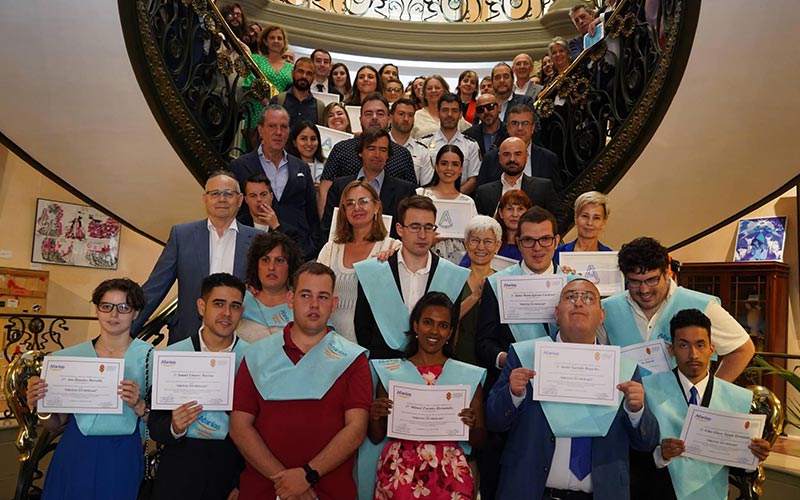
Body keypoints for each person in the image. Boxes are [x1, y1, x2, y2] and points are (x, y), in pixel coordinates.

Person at [486, 275, 659, 499]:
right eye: (570, 297)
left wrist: (637, 411)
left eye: (588, 298)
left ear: (602, 315)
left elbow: (647, 442)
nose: (578, 302)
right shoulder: (524, 356)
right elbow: (494, 420)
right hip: (531, 492)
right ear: (557, 314)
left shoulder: (623, 367)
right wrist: (513, 395)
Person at [230, 262, 372, 499]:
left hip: (329, 491)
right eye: (305, 295)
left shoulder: (353, 359)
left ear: (334, 304)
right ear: (290, 299)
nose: (314, 304)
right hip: (265, 489)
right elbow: (239, 427)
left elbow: (356, 429)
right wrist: (286, 482)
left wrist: (307, 475)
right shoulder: (257, 355)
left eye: (323, 297)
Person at [27, 278, 152, 500]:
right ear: (97, 309)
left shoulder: (150, 358)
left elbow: (161, 425)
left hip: (123, 452)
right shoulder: (69, 358)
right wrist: (42, 406)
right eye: (106, 306)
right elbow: (56, 423)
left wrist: (139, 405)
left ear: (136, 313)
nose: (114, 315)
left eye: (123, 307)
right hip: (76, 449)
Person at [473, 206, 560, 500]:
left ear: (556, 241)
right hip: (513, 398)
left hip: (562, 399)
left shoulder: (573, 285)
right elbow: (483, 343)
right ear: (518, 242)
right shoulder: (498, 284)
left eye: (545, 239)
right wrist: (508, 361)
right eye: (528, 240)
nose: (537, 248)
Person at [641, 308, 771, 500]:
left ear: (712, 349)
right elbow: (632, 453)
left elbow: (738, 468)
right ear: (672, 349)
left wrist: (753, 456)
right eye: (683, 345)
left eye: (700, 345)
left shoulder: (735, 398)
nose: (693, 354)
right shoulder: (648, 390)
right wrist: (660, 454)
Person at [369, 292, 487, 499]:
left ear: (450, 332)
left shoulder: (467, 376)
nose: (434, 331)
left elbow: (479, 441)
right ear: (415, 326)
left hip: (450, 476)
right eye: (427, 322)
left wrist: (470, 425)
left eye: (443, 325)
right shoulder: (391, 372)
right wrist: (375, 416)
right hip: (400, 474)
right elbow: (376, 436)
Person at [147, 273, 249, 500]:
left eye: (234, 306)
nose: (227, 313)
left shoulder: (253, 359)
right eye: (218, 304)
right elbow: (155, 425)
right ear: (202, 307)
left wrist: (242, 481)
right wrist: (174, 425)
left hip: (231, 469)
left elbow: (262, 427)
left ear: (241, 311)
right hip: (179, 469)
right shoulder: (172, 356)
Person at [600, 237, 756, 382]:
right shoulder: (608, 309)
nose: (644, 290)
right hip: (625, 402)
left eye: (652, 280)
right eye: (634, 282)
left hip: (682, 403)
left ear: (667, 273)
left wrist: (711, 394)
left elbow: (743, 349)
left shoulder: (701, 305)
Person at [132, 171, 261, 341]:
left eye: (229, 194)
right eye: (215, 194)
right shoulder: (181, 235)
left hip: (240, 338)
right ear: (205, 199)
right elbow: (155, 288)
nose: (222, 199)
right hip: (187, 336)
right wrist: (124, 331)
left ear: (240, 200)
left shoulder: (258, 240)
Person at [353, 195, 470, 360]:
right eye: (415, 227)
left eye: (428, 227)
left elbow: (450, 331)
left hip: (431, 369)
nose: (422, 235)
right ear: (400, 229)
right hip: (382, 367)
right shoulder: (373, 272)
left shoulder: (451, 275)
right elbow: (363, 329)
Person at [229, 105, 321, 260]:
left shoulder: (301, 167)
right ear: (260, 130)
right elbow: (234, 211)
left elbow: (312, 214)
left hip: (298, 252)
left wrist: (311, 247)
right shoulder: (239, 166)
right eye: (272, 126)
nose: (278, 132)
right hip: (252, 252)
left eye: (283, 127)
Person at [318, 180, 400, 343]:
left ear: (377, 207)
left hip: (374, 345)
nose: (357, 208)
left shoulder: (393, 248)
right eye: (350, 203)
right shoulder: (330, 249)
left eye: (364, 201)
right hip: (330, 343)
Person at [319, 93, 417, 217]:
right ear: (360, 119)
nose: (374, 118)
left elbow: (411, 198)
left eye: (380, 113)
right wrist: (327, 224)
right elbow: (325, 190)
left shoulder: (403, 154)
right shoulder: (341, 149)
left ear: (389, 118)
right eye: (369, 114)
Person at [321, 128, 416, 241]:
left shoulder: (405, 191)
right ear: (360, 152)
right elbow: (327, 228)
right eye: (371, 148)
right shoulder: (339, 186)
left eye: (383, 150)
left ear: (388, 155)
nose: (377, 155)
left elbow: (410, 230)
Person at [473, 137, 564, 232]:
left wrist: (539, 237)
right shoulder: (484, 192)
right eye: (506, 154)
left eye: (518, 154)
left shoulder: (543, 187)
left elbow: (559, 219)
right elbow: (477, 227)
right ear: (499, 158)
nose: (512, 159)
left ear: (526, 157)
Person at [477, 104, 561, 191]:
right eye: (514, 123)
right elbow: (482, 193)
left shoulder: (548, 159)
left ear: (532, 128)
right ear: (507, 127)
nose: (520, 128)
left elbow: (556, 194)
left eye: (525, 123)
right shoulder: (491, 158)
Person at [237, 231, 303, 342]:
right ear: (256, 265)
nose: (271, 267)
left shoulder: (302, 306)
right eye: (265, 260)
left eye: (279, 260)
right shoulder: (240, 299)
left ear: (290, 267)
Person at [416, 145, 478, 262]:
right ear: (436, 166)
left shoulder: (468, 202)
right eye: (444, 163)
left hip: (459, 263)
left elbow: (474, 237)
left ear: (461, 169)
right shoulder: (420, 195)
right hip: (423, 260)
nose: (449, 168)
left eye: (455, 164)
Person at [456, 215, 502, 366]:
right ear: (466, 244)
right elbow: (446, 319)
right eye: (475, 240)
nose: (481, 247)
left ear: (497, 245)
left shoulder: (503, 282)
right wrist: (475, 295)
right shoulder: (454, 277)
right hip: (457, 359)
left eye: (488, 241)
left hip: (492, 363)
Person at [419, 93, 481, 194]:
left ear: (460, 114)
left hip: (460, 199)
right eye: (445, 110)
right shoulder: (424, 143)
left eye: (454, 110)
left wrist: (453, 198)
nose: (449, 115)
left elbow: (473, 180)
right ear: (438, 113)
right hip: (428, 199)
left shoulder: (471, 145)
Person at [242, 26, 294, 136]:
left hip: (281, 115)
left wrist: (277, 109)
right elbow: (250, 84)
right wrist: (268, 104)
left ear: (284, 42)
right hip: (257, 111)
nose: (276, 41)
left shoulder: (291, 68)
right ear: (265, 41)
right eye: (272, 38)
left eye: (279, 38)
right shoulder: (256, 59)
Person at [460, 189, 531, 267]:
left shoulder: (532, 245)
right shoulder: (485, 239)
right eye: (509, 209)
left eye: (520, 209)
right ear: (501, 213)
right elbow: (464, 268)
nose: (515, 214)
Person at [554, 190, 612, 264]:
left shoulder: (610, 257)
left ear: (604, 222)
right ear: (576, 218)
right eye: (585, 216)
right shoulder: (556, 253)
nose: (589, 223)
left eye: (596, 218)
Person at [269, 57, 324, 129]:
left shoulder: (319, 108)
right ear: (292, 73)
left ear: (313, 77)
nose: (304, 76)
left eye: (309, 73)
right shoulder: (278, 101)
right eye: (300, 71)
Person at [389, 97, 433, 186]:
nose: (406, 119)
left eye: (410, 115)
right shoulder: (380, 146)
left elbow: (426, 187)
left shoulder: (422, 151)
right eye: (401, 114)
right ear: (390, 117)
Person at [463, 92, 509, 159]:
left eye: (490, 107)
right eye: (480, 109)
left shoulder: (510, 132)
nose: (486, 112)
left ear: (499, 108)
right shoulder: (468, 136)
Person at [285, 120, 326, 185]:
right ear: (294, 142)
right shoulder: (286, 166)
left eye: (313, 139)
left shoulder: (327, 165)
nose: (309, 143)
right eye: (303, 139)